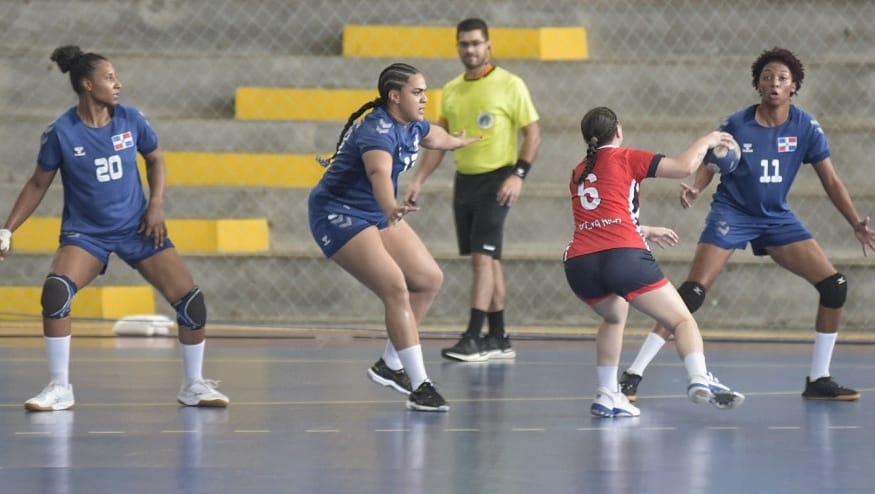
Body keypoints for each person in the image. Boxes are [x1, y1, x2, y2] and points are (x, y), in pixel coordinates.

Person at [618, 47, 875, 403]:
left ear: (794, 87)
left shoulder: (805, 127)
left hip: (776, 217)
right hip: (733, 213)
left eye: (782, 78)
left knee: (835, 287)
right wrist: (696, 187)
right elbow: (712, 161)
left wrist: (855, 223)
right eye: (767, 76)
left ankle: (819, 378)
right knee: (691, 294)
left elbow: (831, 181)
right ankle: (632, 375)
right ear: (757, 83)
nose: (774, 83)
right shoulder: (737, 125)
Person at [0, 45, 228, 411]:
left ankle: (193, 385)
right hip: (86, 233)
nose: (118, 84)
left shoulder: (131, 119)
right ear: (88, 85)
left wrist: (155, 206)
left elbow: (155, 160)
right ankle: (60, 387)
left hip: (138, 227)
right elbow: (37, 184)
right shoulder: (61, 132)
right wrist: (8, 230)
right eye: (109, 78)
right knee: (56, 292)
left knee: (192, 302)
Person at [308, 62, 480, 412]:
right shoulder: (377, 132)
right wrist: (390, 206)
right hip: (338, 213)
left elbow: (435, 136)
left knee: (429, 279)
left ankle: (391, 363)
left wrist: (459, 141)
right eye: (417, 92)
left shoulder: (412, 124)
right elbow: (378, 173)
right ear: (394, 96)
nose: (424, 98)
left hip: (374, 212)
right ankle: (420, 386)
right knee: (396, 287)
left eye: (425, 91)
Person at [565, 106, 745, 418]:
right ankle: (699, 377)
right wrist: (708, 140)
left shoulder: (579, 170)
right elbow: (684, 167)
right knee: (682, 320)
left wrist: (644, 230)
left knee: (614, 316)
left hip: (579, 264)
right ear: (618, 131)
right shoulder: (625, 157)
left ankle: (608, 394)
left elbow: (600, 218)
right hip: (622, 257)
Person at [406, 17, 541, 362]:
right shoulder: (451, 90)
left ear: (489, 45)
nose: (471, 49)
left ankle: (472, 336)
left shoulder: (510, 84)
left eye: (476, 43)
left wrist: (518, 175)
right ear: (458, 47)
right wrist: (419, 179)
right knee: (488, 258)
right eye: (465, 44)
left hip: (498, 179)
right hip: (464, 180)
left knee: (482, 259)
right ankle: (499, 336)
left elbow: (533, 133)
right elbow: (439, 142)